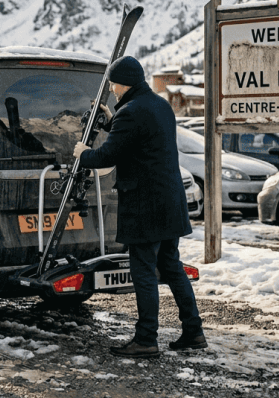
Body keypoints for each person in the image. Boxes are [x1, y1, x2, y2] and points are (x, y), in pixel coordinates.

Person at [73, 56, 206, 358]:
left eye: (113, 84)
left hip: (146, 207)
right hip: (170, 202)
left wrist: (83, 153)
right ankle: (193, 332)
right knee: (171, 267)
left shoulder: (131, 113)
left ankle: (146, 339)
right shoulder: (159, 105)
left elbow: (107, 156)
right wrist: (112, 119)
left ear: (124, 83)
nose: (112, 89)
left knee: (143, 271)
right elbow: (137, 141)